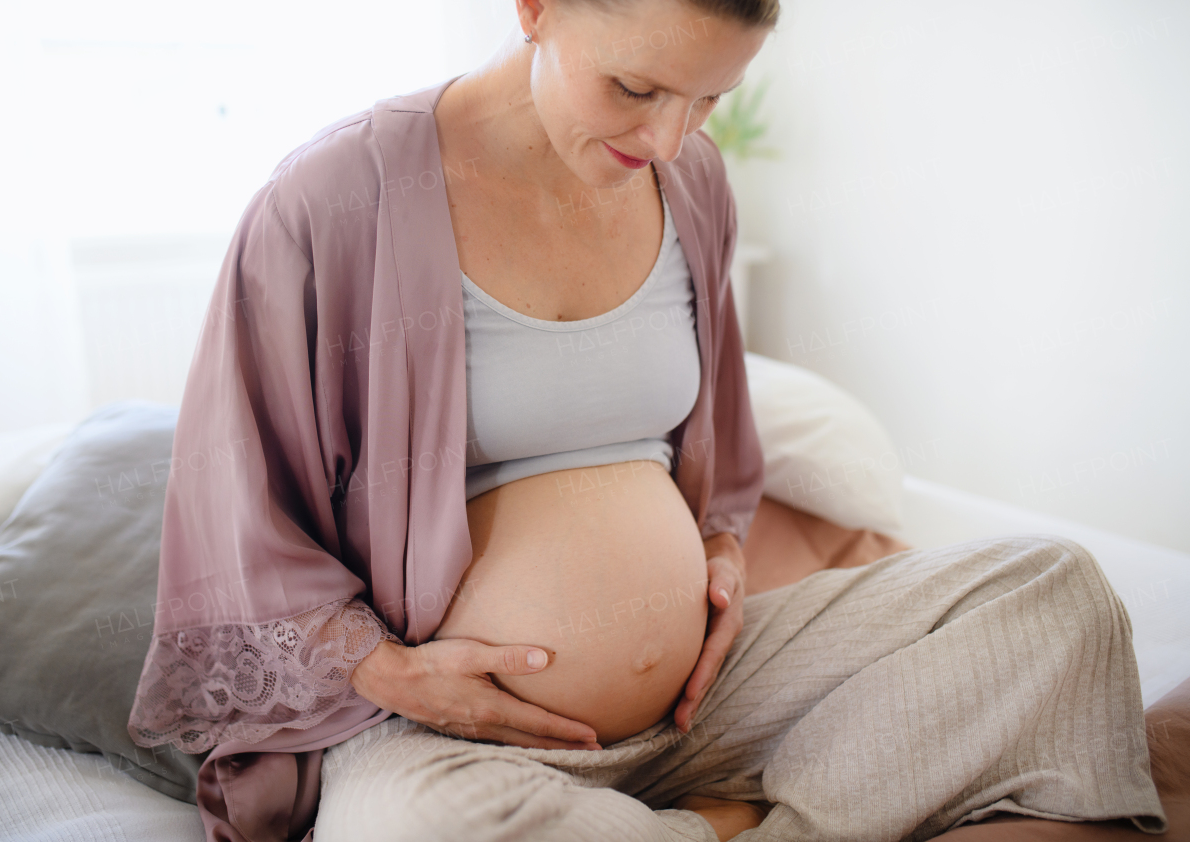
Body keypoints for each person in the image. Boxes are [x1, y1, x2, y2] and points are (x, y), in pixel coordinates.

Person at [127, 0, 1174, 839]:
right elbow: (238, 511)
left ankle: (724, 822)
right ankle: (756, 815)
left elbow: (710, 456)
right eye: (633, 87)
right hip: (465, 735)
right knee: (413, 824)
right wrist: (388, 668)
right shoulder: (328, 201)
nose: (668, 134)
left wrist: (717, 548)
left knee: (1054, 592)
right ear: (533, 8)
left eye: (710, 96)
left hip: (700, 705)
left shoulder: (692, 182)